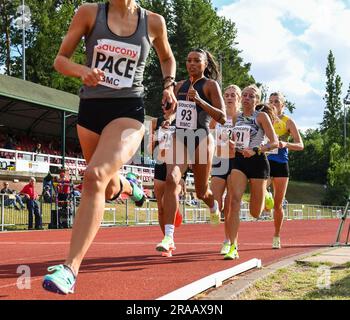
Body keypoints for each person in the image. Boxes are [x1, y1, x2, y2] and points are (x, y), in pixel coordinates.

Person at [42, 0, 176, 295]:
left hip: (128, 110)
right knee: (107, 186)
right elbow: (60, 59)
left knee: (94, 177)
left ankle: (69, 270)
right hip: (90, 110)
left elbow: (167, 57)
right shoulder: (89, 12)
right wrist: (81, 71)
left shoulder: (153, 21)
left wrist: (168, 84)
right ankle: (128, 186)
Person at [156, 48, 226, 254]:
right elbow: (172, 112)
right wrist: (168, 119)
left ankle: (213, 206)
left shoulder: (211, 85)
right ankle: (169, 236)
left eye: (197, 60)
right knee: (171, 179)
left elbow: (222, 117)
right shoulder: (178, 86)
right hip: (180, 137)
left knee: (202, 190)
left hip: (202, 138)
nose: (192, 64)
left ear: (205, 64)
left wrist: (201, 101)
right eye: (188, 60)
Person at [224, 84, 278, 260]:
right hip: (240, 161)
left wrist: (256, 149)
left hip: (258, 162)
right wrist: (232, 143)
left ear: (257, 100)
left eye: (251, 96)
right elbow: (234, 138)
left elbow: (274, 142)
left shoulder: (261, 117)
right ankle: (233, 246)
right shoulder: (236, 117)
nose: (247, 98)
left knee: (255, 213)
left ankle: (266, 195)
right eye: (245, 95)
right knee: (234, 201)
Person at [267, 92, 304, 249]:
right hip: (266, 162)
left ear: (283, 105)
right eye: (271, 101)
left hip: (281, 163)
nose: (273, 104)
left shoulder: (288, 122)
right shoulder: (264, 118)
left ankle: (276, 235)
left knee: (278, 205)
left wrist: (285, 144)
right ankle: (265, 197)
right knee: (260, 192)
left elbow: (300, 145)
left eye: (276, 101)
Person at [209, 84, 241, 255]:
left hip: (236, 162)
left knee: (230, 204)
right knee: (216, 201)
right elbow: (206, 131)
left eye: (233, 95)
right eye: (226, 94)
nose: (229, 97)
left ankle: (229, 241)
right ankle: (215, 212)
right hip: (219, 160)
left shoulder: (241, 118)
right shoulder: (218, 116)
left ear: (239, 98)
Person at [151, 104, 184, 257]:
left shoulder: (182, 120)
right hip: (160, 164)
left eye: (169, 103)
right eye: (163, 103)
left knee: (166, 199)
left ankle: (175, 209)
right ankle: (167, 242)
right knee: (161, 208)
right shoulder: (155, 122)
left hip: (176, 164)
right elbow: (152, 146)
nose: (166, 105)